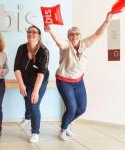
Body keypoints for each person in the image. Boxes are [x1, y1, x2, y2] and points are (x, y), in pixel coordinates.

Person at [45, 12, 113, 141]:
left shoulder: (84, 43)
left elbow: (98, 34)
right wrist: (51, 31)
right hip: (64, 81)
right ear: (69, 37)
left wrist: (107, 21)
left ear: (80, 36)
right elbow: (59, 41)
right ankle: (63, 130)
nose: (74, 36)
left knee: (81, 109)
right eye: (71, 34)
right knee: (71, 108)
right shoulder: (66, 46)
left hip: (78, 81)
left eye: (77, 34)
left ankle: (67, 122)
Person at [14, 25, 49, 143]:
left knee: (34, 103)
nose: (31, 34)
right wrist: (21, 84)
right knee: (26, 98)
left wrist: (36, 91)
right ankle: (27, 117)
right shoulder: (21, 48)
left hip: (40, 81)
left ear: (39, 36)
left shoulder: (44, 51)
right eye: (29, 32)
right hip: (26, 80)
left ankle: (35, 132)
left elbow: (41, 72)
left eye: (34, 32)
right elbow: (17, 68)